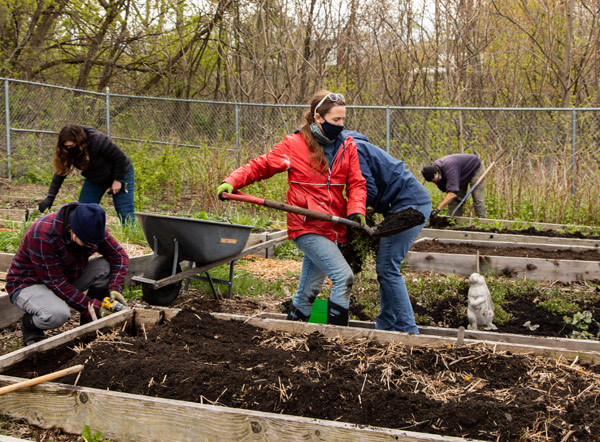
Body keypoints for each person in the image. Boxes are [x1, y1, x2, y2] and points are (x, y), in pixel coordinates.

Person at [217, 90, 366, 326]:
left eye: (343, 119)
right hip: (306, 224)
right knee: (343, 277)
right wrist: (232, 181)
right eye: (336, 120)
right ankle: (338, 338)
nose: (341, 124)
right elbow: (261, 166)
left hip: (333, 224)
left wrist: (357, 210)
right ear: (319, 118)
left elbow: (357, 183)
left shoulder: (347, 146)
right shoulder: (294, 145)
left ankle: (291, 330)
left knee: (310, 287)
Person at [342, 131, 431, 333]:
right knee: (386, 268)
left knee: (387, 269)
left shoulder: (352, 149)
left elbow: (369, 190)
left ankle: (408, 329)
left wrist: (353, 213)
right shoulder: (356, 145)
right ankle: (387, 324)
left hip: (410, 207)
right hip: (409, 202)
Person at [6, 202, 130, 346]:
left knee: (106, 266)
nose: (90, 247)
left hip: (65, 276)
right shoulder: (43, 235)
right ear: (72, 230)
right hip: (29, 283)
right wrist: (92, 305)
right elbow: (57, 284)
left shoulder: (90, 225)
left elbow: (119, 256)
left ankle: (90, 325)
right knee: (58, 315)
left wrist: (115, 287)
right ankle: (30, 324)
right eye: (86, 244)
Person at [38, 125, 136, 226]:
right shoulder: (67, 151)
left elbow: (120, 158)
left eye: (71, 146)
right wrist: (50, 197)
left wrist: (117, 180)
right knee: (83, 211)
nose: (69, 149)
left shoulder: (98, 141)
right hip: (96, 176)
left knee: (124, 210)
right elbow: (60, 173)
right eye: (66, 146)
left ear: (80, 141)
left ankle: (133, 236)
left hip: (121, 171)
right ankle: (87, 237)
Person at [421, 153, 486, 218]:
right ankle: (454, 222)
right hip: (460, 174)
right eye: (432, 181)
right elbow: (447, 190)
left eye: (434, 180)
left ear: (437, 173)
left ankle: (482, 222)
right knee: (453, 201)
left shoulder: (450, 170)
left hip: (474, 168)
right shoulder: (434, 174)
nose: (434, 182)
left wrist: (438, 209)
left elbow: (452, 193)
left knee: (477, 198)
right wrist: (455, 197)